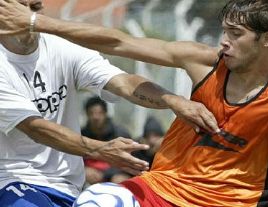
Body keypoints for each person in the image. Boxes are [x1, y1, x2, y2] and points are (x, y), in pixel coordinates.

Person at [2, 0, 268, 206]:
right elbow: (116, 42)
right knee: (97, 201)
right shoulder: (202, 61)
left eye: (235, 35)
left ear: (266, 39)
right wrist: (37, 22)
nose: (223, 42)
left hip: (231, 203)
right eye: (223, 31)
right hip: (165, 188)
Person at [0, 0, 220, 206]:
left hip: (68, 186)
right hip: (13, 180)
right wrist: (100, 149)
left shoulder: (62, 48)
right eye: (20, 7)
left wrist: (173, 101)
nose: (28, 15)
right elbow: (36, 127)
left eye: (34, 8)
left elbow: (123, 82)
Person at [81, 96, 132, 185]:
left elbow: (128, 161)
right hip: (88, 178)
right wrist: (84, 170)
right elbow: (73, 160)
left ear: (105, 113)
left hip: (114, 176)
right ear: (87, 114)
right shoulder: (80, 135)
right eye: (91, 113)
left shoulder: (120, 134)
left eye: (99, 113)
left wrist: (105, 174)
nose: (95, 117)